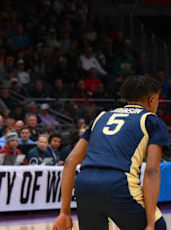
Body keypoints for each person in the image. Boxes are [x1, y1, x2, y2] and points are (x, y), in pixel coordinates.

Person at [53, 76, 169, 230]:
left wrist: (64, 213)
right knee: (159, 226)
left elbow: (70, 162)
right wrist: (150, 223)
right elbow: (151, 171)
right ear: (152, 99)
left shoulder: (101, 117)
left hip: (85, 184)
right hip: (118, 183)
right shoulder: (152, 121)